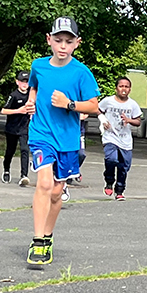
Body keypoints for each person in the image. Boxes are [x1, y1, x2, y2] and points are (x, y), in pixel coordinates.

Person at [24, 17, 100, 267]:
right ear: (49, 40)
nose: (62, 46)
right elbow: (33, 87)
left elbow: (94, 107)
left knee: (57, 193)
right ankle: (37, 241)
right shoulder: (38, 66)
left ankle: (48, 235)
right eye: (58, 40)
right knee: (44, 184)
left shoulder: (81, 73)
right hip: (41, 134)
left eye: (68, 41)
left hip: (67, 140)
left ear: (77, 43)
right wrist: (31, 101)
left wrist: (68, 104)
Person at [97, 76, 142, 201]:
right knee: (111, 159)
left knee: (123, 167)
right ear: (116, 88)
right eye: (121, 86)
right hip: (110, 136)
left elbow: (138, 121)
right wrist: (102, 119)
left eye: (126, 87)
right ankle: (109, 181)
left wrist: (129, 120)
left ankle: (120, 191)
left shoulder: (132, 104)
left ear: (130, 89)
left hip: (125, 140)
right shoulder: (108, 101)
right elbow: (97, 109)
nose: (124, 89)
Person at [1, 70, 31, 187]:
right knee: (10, 151)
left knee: (25, 150)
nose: (24, 84)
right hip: (12, 128)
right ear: (17, 82)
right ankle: (6, 170)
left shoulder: (31, 95)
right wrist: (19, 111)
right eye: (22, 82)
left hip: (24, 128)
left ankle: (24, 175)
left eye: (27, 82)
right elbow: (4, 110)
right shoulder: (13, 95)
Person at [62, 113, 88, 202]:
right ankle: (69, 174)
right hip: (65, 133)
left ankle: (75, 170)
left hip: (79, 134)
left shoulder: (80, 101)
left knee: (81, 154)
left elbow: (85, 115)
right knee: (66, 155)